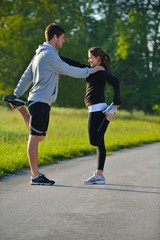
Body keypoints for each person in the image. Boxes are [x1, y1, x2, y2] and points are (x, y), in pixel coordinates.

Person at [7, 23, 104, 186]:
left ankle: (20, 106)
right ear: (55, 37)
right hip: (39, 100)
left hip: (41, 101)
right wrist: (90, 71)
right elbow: (68, 70)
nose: (63, 41)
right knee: (34, 137)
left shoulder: (40, 54)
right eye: (63, 38)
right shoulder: (49, 55)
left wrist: (16, 94)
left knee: (40, 136)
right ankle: (35, 176)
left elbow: (27, 75)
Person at [61, 47, 121, 184]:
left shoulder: (100, 71)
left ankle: (109, 117)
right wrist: (57, 56)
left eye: (91, 57)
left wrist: (117, 101)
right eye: (88, 57)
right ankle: (99, 175)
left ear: (98, 59)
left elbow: (116, 81)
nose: (89, 60)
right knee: (100, 144)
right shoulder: (92, 70)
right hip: (97, 108)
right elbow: (75, 63)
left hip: (97, 109)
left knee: (94, 141)